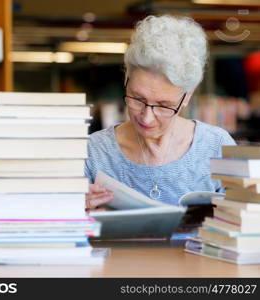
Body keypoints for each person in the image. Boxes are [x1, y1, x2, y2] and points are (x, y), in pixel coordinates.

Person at [85, 15, 236, 211]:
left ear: (187, 96)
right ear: (126, 80)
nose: (147, 117)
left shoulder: (216, 147)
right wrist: (74, 210)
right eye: (138, 99)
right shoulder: (94, 152)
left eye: (164, 106)